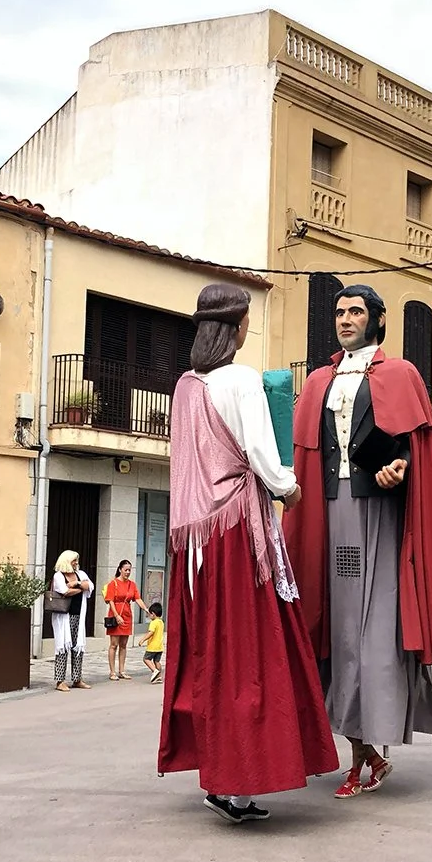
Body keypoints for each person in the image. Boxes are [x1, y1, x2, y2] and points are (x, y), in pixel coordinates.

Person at [284, 284, 432, 799]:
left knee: (373, 633)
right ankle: (363, 752)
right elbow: (305, 455)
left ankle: (365, 751)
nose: (345, 319)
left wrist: (398, 469)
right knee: (334, 629)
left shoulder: (402, 374)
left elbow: (411, 451)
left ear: (377, 320)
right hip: (327, 512)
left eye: (356, 311)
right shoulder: (317, 382)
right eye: (339, 312)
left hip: (378, 516)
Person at [158, 282, 337, 823]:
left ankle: (220, 771)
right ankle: (237, 781)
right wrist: (288, 487)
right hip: (238, 532)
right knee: (249, 653)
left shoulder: (185, 386)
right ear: (236, 329)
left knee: (211, 652)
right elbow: (260, 450)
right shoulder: (240, 380)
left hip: (194, 543)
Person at [51, 550, 92, 691]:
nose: (76, 563)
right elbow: (64, 591)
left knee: (78, 647)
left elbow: (90, 586)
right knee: (63, 647)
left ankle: (77, 679)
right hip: (64, 616)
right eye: (73, 560)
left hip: (78, 616)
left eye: (76, 560)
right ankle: (59, 681)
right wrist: (81, 588)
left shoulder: (80, 574)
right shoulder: (58, 576)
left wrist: (76, 584)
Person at [103, 559, 147, 681]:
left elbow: (137, 598)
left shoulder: (132, 584)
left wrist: (145, 609)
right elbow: (110, 600)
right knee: (114, 644)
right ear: (120, 569)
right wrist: (116, 615)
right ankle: (112, 672)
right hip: (116, 614)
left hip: (127, 615)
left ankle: (122, 670)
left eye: (129, 570)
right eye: (125, 570)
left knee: (123, 645)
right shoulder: (113, 583)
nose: (128, 572)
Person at [138, 601, 165, 684]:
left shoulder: (153, 623)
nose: (149, 616)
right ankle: (159, 677)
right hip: (160, 647)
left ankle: (154, 671)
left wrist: (142, 640)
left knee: (146, 659)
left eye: (149, 614)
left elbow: (150, 633)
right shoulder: (161, 622)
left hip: (152, 646)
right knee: (157, 661)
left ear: (153, 614)